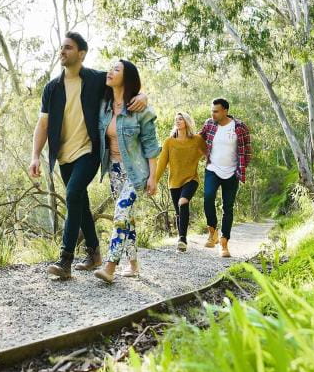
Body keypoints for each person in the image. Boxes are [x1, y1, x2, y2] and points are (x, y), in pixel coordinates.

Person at [29, 32, 148, 279]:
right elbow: (42, 125)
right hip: (63, 155)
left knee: (72, 193)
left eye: (68, 48)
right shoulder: (52, 88)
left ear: (81, 53)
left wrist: (142, 96)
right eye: (61, 47)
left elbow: (124, 85)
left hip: (90, 151)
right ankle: (95, 253)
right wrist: (35, 156)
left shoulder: (95, 79)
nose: (62, 51)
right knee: (79, 200)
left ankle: (65, 260)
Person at [92, 59, 160, 283]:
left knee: (120, 214)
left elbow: (151, 145)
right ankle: (133, 266)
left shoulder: (140, 109)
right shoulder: (105, 105)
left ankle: (110, 267)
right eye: (110, 68)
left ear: (127, 77)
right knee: (126, 219)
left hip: (135, 172)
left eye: (116, 69)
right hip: (113, 170)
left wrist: (153, 177)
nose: (110, 71)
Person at [198, 98, 252, 257]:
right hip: (212, 169)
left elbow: (247, 151)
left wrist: (241, 167)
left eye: (216, 111)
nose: (212, 114)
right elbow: (198, 140)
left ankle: (224, 244)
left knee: (227, 208)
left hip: (232, 172)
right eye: (212, 110)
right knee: (208, 197)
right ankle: (212, 231)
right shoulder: (209, 124)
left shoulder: (240, 127)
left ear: (225, 111)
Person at [155, 112, 206, 252]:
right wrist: (154, 181)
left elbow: (208, 153)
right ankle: (181, 241)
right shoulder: (169, 142)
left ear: (187, 122)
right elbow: (162, 163)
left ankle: (182, 239)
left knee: (183, 201)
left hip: (191, 179)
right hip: (174, 182)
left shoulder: (197, 140)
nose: (178, 121)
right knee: (179, 212)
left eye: (181, 119)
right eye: (176, 119)